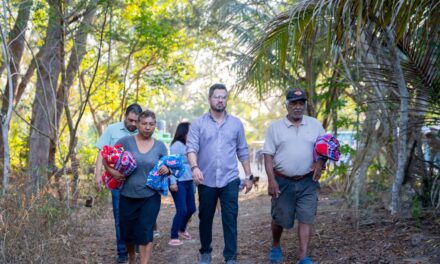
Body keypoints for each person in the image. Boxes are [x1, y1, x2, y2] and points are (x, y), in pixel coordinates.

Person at [187, 83, 254, 264]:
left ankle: (230, 257)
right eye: (216, 96)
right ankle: (206, 251)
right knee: (205, 218)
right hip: (206, 179)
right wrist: (195, 168)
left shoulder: (236, 124)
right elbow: (191, 148)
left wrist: (248, 177)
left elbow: (243, 151)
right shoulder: (198, 124)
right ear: (209, 99)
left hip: (229, 179)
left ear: (226, 100)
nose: (220, 100)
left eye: (223, 97)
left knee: (230, 218)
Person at [262, 89, 326, 264]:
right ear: (287, 105)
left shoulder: (315, 125)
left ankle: (303, 256)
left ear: (305, 105)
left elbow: (325, 148)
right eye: (294, 103)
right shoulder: (275, 127)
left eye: (301, 103)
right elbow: (268, 155)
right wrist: (271, 180)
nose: (298, 107)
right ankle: (275, 245)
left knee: (307, 216)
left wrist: (320, 163)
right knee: (280, 217)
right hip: (282, 180)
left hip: (308, 181)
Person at [103, 110, 169, 264]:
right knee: (127, 233)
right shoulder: (126, 141)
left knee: (146, 231)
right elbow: (107, 156)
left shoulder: (160, 146)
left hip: (150, 196)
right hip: (127, 195)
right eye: (144, 123)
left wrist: (168, 170)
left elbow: (168, 165)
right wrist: (112, 171)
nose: (147, 127)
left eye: (151, 124)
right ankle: (132, 256)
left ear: (155, 126)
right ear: (138, 124)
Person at [94, 103, 142, 263]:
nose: (133, 124)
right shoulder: (112, 130)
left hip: (137, 183)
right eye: (131, 120)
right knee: (119, 217)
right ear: (125, 116)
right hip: (117, 181)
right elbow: (102, 153)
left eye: (136, 121)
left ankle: (134, 245)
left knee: (137, 216)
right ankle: (122, 253)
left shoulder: (141, 132)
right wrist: (98, 175)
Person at [168, 122, 197, 246]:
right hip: (178, 182)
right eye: (190, 132)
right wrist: (172, 182)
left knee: (191, 208)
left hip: (189, 181)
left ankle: (182, 229)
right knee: (182, 210)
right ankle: (173, 236)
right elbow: (172, 165)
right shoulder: (176, 145)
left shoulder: (190, 145)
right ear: (183, 132)